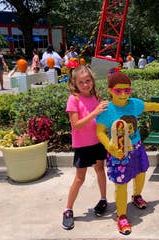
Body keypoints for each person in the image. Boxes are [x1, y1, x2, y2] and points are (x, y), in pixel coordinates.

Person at [96, 71, 159, 235]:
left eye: (127, 90)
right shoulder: (106, 110)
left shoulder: (133, 104)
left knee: (141, 173)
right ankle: (121, 216)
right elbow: (100, 132)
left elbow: (150, 106)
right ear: (110, 90)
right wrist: (109, 146)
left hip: (137, 147)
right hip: (119, 151)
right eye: (119, 91)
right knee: (121, 183)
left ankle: (137, 196)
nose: (124, 94)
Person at [62, 65, 109, 230]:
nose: (85, 85)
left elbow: (99, 119)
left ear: (92, 81)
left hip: (97, 142)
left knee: (100, 170)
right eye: (81, 82)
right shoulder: (73, 99)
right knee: (79, 178)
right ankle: (68, 209)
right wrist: (95, 112)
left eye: (88, 81)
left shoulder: (95, 96)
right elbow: (77, 125)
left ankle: (103, 199)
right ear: (75, 84)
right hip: (82, 145)